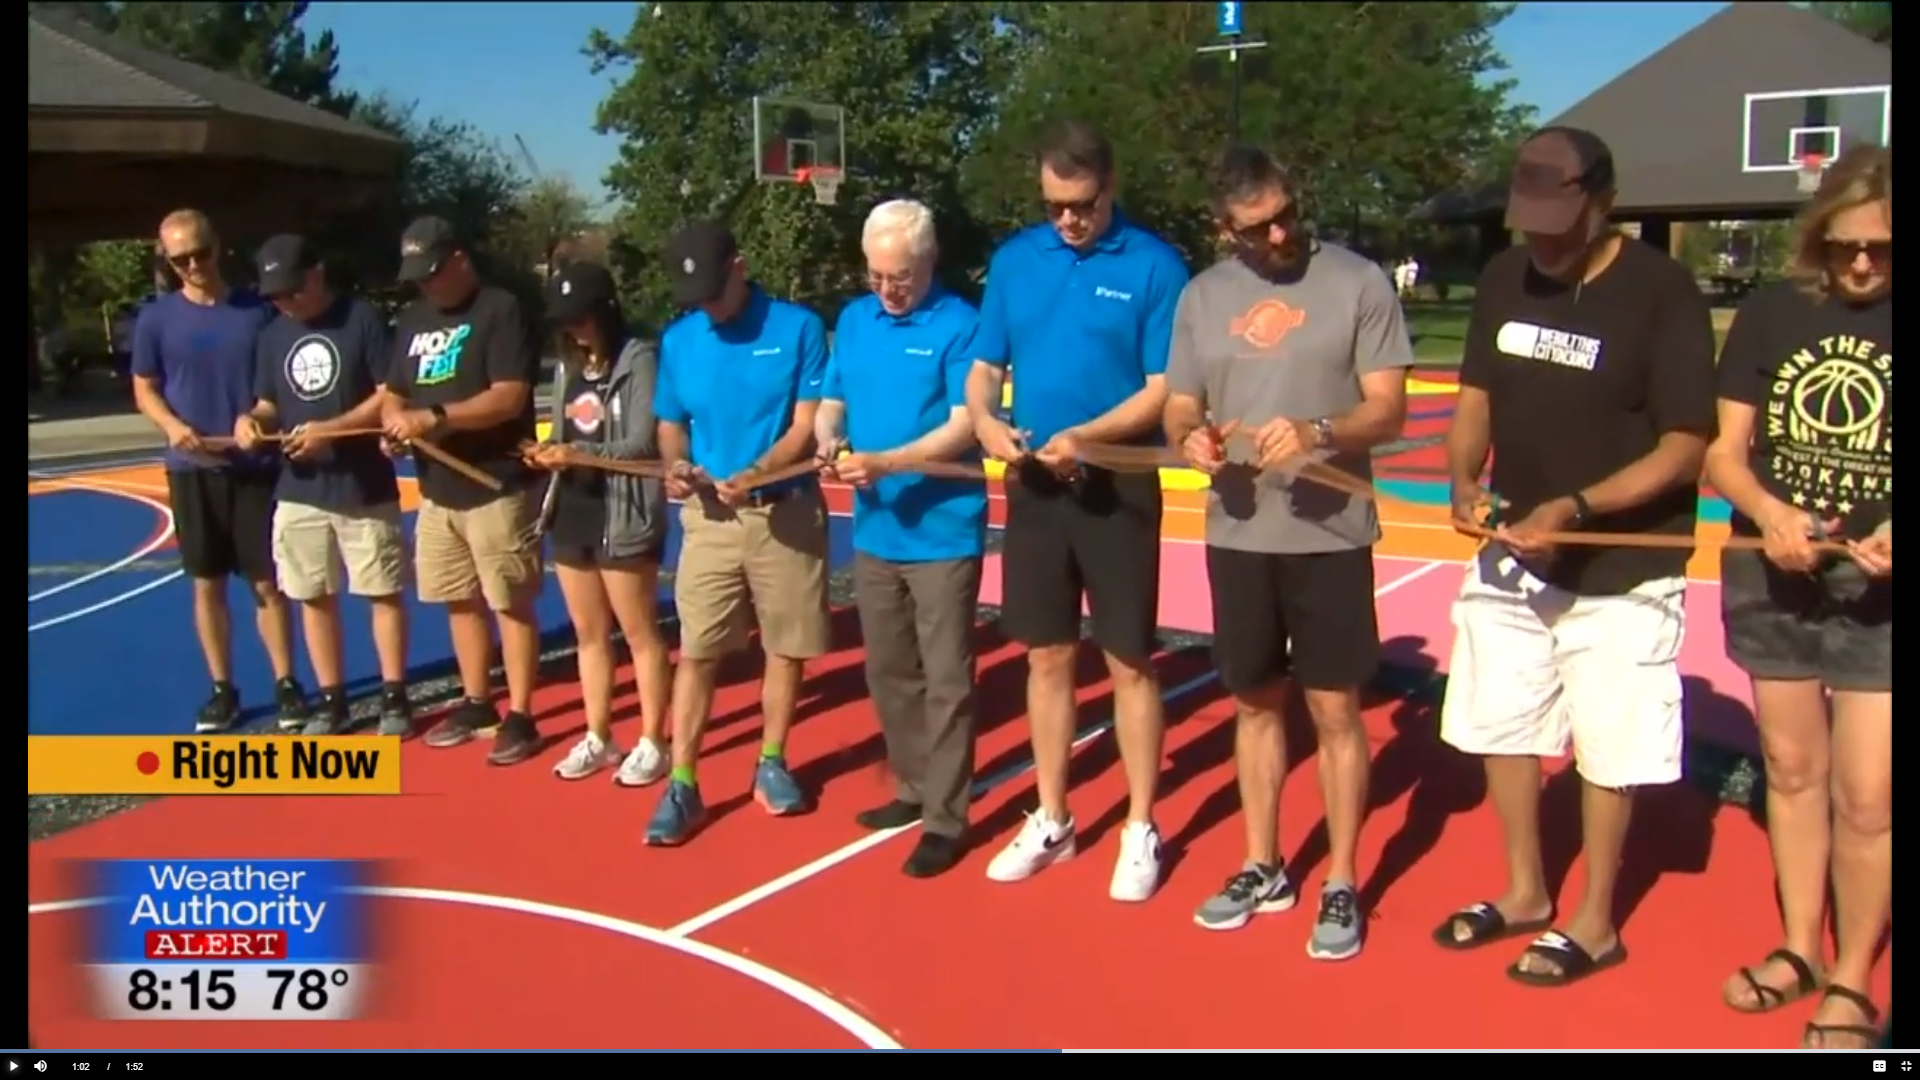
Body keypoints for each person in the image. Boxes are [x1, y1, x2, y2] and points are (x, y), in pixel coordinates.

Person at [1432, 128, 1718, 986]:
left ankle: (1595, 920)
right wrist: (1459, 479)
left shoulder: (1663, 293)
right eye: (1531, 223)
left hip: (1620, 565)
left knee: (1610, 746)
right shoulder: (1501, 280)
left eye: (1561, 222)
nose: (1543, 241)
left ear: (1605, 201)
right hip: (1514, 551)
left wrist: (1578, 508)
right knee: (1500, 723)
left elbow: (1685, 444)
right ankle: (1525, 892)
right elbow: (1474, 398)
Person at [1164, 146, 1413, 957]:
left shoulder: (1357, 281)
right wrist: (1190, 439)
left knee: (1336, 711)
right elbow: (1179, 405)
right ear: (1223, 230)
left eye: (1285, 215)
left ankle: (1340, 879)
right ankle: (1261, 863)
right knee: (1254, 704)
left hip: (1330, 535)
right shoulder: (1203, 298)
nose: (1279, 235)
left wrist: (1319, 431)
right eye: (1256, 227)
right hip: (1239, 532)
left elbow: (1389, 410)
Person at [963, 119, 1190, 901]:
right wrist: (988, 419)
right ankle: (1053, 815)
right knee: (1046, 655)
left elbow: (1162, 387)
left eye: (1082, 205)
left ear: (1111, 186)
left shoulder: (1157, 265)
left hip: (1116, 483)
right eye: (1055, 205)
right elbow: (986, 364)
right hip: (1034, 484)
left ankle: (1139, 825)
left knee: (1128, 659)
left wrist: (1086, 438)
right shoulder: (1015, 261)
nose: (1068, 220)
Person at [1702, 144, 1891, 1049]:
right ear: (1819, 238)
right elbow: (1723, 455)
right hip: (1772, 573)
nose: (1862, 264)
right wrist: (1771, 513)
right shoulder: (1772, 314)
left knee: (1867, 796)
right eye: (1847, 246)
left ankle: (1854, 976)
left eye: (1882, 250)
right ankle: (1799, 947)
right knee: (1790, 771)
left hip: (1878, 595)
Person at [645, 221, 832, 846]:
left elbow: (805, 427)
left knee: (785, 643)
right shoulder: (678, 339)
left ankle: (772, 759)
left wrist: (758, 472)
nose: (707, 308)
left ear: (741, 267)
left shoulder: (798, 328)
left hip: (785, 511)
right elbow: (672, 423)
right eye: (695, 298)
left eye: (715, 293)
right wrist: (675, 466)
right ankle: (683, 780)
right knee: (698, 648)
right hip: (711, 518)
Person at [816, 199, 987, 878]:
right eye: (876, 276)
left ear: (928, 261)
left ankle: (948, 816)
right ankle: (915, 787)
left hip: (942, 527)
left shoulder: (961, 325)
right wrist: (830, 444)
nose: (888, 290)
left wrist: (888, 462)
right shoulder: (855, 321)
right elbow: (833, 404)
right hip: (876, 527)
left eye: (901, 276)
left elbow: (963, 424)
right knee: (887, 669)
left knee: (947, 677)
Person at [130, 209, 309, 734]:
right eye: (179, 258)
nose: (192, 265)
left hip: (254, 467)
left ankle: (286, 684)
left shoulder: (258, 312)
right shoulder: (156, 318)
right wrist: (171, 426)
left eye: (199, 254)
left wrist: (255, 415)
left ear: (217, 247)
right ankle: (223, 690)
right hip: (191, 468)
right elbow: (145, 387)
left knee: (267, 582)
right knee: (206, 584)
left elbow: (278, 384)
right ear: (167, 259)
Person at [381, 216, 546, 766]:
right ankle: (478, 699)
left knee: (510, 602)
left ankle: (521, 713)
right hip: (438, 490)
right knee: (458, 598)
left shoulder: (500, 310)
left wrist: (437, 418)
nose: (427, 286)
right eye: (417, 277)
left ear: (459, 259)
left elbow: (508, 396)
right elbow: (393, 393)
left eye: (432, 272)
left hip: (497, 483)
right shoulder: (411, 320)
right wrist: (395, 426)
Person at [233, 235, 413, 738]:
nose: (284, 302)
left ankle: (394, 694)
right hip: (298, 489)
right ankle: (333, 700)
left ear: (316, 274)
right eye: (275, 295)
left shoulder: (363, 320)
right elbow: (268, 403)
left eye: (291, 290)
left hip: (362, 485)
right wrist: (251, 421)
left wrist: (328, 431)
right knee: (311, 594)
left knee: (382, 590)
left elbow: (386, 396)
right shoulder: (272, 336)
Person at [526, 259, 674, 787]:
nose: (573, 328)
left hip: (623, 509)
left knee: (639, 633)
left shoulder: (639, 360)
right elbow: (562, 428)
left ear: (605, 309)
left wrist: (576, 451)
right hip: (574, 508)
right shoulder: (567, 364)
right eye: (566, 319)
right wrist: (548, 451)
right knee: (590, 634)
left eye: (581, 317)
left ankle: (653, 739)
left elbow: (640, 443)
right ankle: (598, 733)